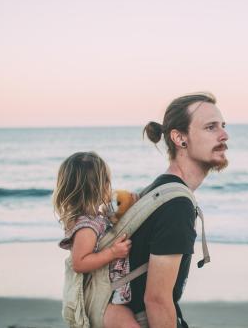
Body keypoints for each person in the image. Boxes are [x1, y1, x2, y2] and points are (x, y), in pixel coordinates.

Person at [120, 92, 229, 328]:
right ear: (180, 138)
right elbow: (157, 300)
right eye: (211, 127)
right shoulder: (176, 205)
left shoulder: (158, 188)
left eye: (223, 126)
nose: (224, 135)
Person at [53, 151, 140, 328]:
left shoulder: (96, 217)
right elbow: (79, 262)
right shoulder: (87, 227)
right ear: (98, 186)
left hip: (110, 291)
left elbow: (109, 223)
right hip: (102, 299)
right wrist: (112, 253)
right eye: (107, 181)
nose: (110, 186)